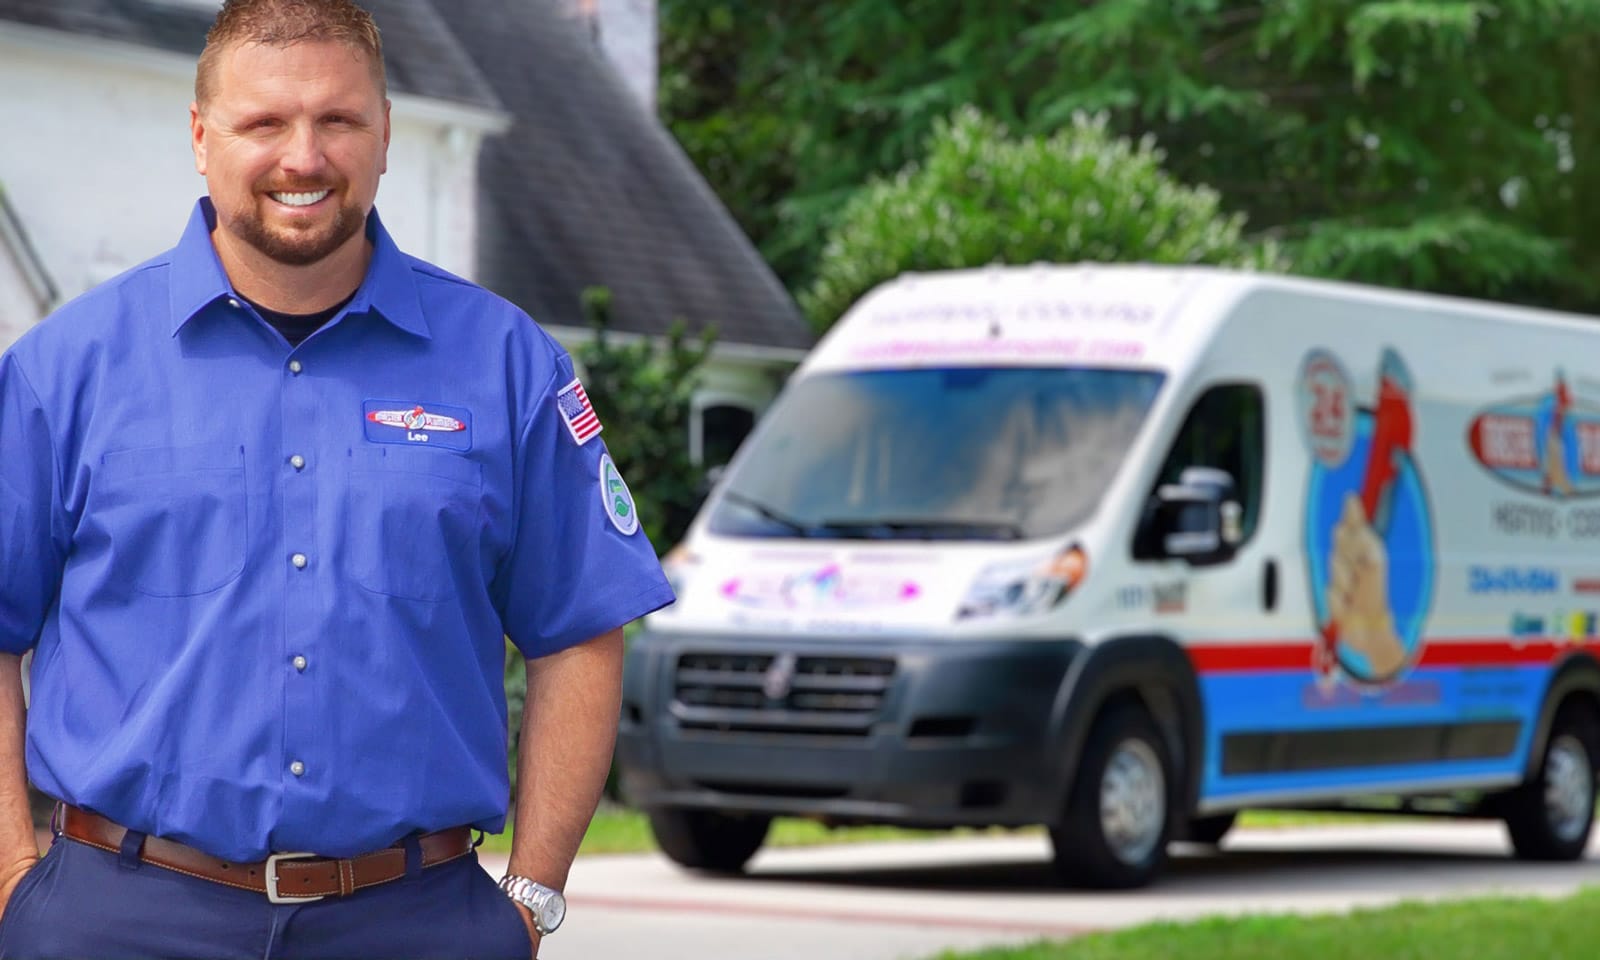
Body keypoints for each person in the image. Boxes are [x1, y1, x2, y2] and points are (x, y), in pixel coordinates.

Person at [0, 0, 673, 956]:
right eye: (263, 122)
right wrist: (11, 880)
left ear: (386, 132)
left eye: (338, 120)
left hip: (416, 920)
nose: (303, 157)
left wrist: (532, 896)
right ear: (201, 136)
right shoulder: (64, 371)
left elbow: (582, 631)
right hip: (118, 919)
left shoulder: (508, 366)